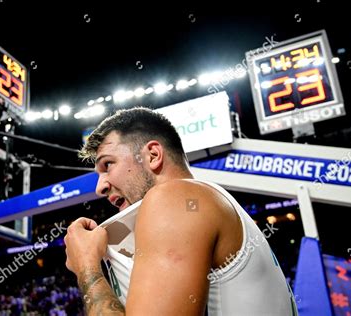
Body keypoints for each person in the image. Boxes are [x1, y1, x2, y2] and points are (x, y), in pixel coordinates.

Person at [64, 107, 297, 315]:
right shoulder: (206, 200)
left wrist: (87, 266)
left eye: (108, 165)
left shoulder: (174, 198)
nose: (99, 187)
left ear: (152, 155)